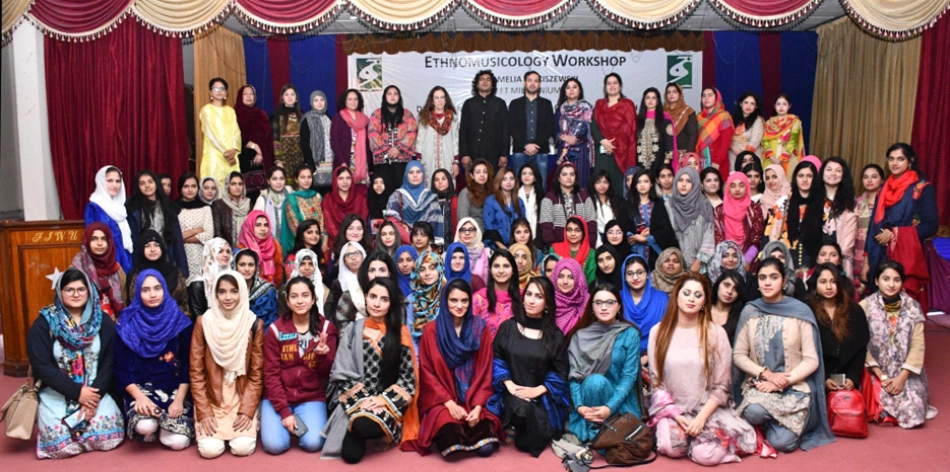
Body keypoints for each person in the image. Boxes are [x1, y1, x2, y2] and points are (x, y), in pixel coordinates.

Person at [648, 273, 756, 465]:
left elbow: (723, 385)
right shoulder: (659, 332)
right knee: (669, 446)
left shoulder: (716, 333)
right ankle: (692, 440)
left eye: (698, 295)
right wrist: (677, 415)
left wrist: (700, 419)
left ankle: (706, 445)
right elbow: (657, 382)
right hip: (674, 409)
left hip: (708, 409)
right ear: (677, 296)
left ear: (705, 301)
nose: (691, 299)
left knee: (705, 456)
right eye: (687, 293)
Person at [732, 258, 835, 453]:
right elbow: (738, 355)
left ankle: (782, 424)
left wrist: (781, 382)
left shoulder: (800, 311)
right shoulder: (751, 311)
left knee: (783, 444)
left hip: (795, 387)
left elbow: (811, 359)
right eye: (762, 278)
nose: (767, 283)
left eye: (773, 277)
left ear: (784, 280)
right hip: (761, 385)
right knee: (754, 412)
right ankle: (775, 422)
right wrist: (767, 375)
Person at [28, 268, 125, 459]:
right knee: (59, 445)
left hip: (96, 390)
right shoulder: (44, 324)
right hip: (57, 392)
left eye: (81, 289)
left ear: (89, 291)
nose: (75, 294)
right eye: (69, 290)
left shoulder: (103, 321)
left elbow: (109, 363)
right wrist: (77, 393)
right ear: (59, 292)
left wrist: (91, 398)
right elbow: (42, 367)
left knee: (108, 438)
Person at [322, 278, 420, 463]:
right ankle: (366, 427)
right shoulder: (352, 330)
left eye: (384, 299)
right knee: (350, 456)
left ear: (391, 303)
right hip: (356, 401)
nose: (377, 303)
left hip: (388, 403)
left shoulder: (400, 333)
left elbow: (408, 379)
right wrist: (364, 401)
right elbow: (342, 372)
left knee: (364, 427)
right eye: (373, 296)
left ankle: (382, 427)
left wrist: (382, 400)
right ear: (365, 297)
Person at [410, 280, 502, 457]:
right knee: (451, 445)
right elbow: (428, 373)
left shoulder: (479, 328)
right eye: (453, 300)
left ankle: (471, 421)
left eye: (464, 301)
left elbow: (485, 370)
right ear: (445, 301)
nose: (459, 306)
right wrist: (449, 403)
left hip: (473, 398)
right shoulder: (431, 330)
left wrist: (477, 406)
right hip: (444, 401)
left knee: (486, 449)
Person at [488, 276, 569, 457]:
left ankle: (521, 428)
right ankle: (513, 424)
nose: (531, 300)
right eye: (529, 294)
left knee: (528, 436)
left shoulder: (554, 335)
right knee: (520, 410)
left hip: (541, 397)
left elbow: (561, 371)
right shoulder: (508, 327)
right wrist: (508, 384)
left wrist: (538, 390)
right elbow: (497, 359)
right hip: (510, 392)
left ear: (547, 303)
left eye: (539, 297)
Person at [115, 270, 194, 450]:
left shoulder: (180, 322)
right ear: (137, 292)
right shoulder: (126, 323)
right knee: (144, 426)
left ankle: (163, 427)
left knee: (178, 443)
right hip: (142, 388)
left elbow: (188, 365)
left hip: (174, 388)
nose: (152, 294)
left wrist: (180, 400)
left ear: (164, 290)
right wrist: (139, 397)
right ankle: (153, 427)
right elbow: (121, 369)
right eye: (146, 290)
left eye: (157, 288)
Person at [190, 270, 264, 459]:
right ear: (215, 294)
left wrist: (247, 411)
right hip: (213, 397)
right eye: (222, 292)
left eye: (234, 291)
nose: (228, 297)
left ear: (242, 292)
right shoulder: (204, 322)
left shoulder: (253, 323)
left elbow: (256, 375)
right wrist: (204, 412)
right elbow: (196, 372)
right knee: (209, 450)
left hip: (240, 395)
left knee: (242, 448)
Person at [261, 276, 338, 454]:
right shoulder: (275, 330)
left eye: (305, 295)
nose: (300, 301)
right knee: (275, 446)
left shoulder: (326, 329)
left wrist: (322, 357)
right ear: (287, 301)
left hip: (310, 397)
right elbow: (271, 375)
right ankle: (285, 422)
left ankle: (299, 422)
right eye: (294, 296)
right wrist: (284, 411)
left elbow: (329, 374)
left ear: (313, 299)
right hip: (278, 397)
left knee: (313, 443)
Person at [862, 261, 938, 428]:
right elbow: (861, 344)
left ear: (902, 282)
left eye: (896, 280)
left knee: (914, 413)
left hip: (905, 372)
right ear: (876, 281)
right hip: (874, 371)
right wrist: (881, 376)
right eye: (886, 279)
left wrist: (901, 379)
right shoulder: (865, 307)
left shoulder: (913, 308)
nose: (891, 284)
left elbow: (918, 347)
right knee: (872, 406)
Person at [864, 143, 938, 309]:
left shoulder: (921, 188)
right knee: (878, 310)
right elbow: (873, 226)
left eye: (900, 159)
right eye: (891, 159)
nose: (894, 163)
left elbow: (931, 226)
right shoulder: (883, 188)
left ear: (910, 161)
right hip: (879, 255)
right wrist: (866, 259)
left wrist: (895, 235)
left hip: (906, 256)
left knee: (903, 312)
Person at [567, 283, 642, 444]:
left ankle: (602, 435)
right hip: (588, 403)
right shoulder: (580, 336)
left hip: (620, 402)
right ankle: (597, 431)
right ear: (591, 307)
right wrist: (579, 406)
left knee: (597, 382)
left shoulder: (630, 333)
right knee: (595, 382)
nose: (604, 307)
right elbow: (574, 377)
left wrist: (609, 407)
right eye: (598, 303)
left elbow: (629, 377)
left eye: (610, 302)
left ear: (619, 306)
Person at [808, 263, 869, 395]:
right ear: (816, 284)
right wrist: (823, 379)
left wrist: (852, 378)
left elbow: (860, 348)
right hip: (815, 378)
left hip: (846, 380)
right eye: (823, 282)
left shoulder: (854, 310)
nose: (829, 287)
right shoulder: (807, 310)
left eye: (833, 282)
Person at [127, 170, 188, 276]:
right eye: (142, 183)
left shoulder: (168, 206)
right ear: (138, 187)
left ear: (156, 183)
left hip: (166, 257)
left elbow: (177, 239)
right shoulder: (132, 207)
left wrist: (183, 269)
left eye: (150, 182)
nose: (147, 186)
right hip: (142, 259)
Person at [591, 73, 637, 191]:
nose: (612, 86)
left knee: (618, 187)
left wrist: (613, 143)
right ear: (605, 87)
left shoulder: (627, 104)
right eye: (609, 83)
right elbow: (594, 126)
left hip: (621, 152)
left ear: (620, 86)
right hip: (602, 151)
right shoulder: (599, 104)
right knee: (601, 185)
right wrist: (603, 141)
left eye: (615, 83)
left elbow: (629, 129)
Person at [509, 71, 555, 190]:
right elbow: (511, 127)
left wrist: (536, 145)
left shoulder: (546, 103)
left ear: (540, 84)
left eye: (536, 81)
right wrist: (525, 145)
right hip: (520, 151)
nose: (532, 83)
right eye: (530, 80)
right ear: (524, 83)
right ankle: (520, 209)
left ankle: (540, 209)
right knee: (518, 186)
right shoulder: (514, 104)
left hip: (541, 151)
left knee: (541, 186)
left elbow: (550, 127)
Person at [127, 230, 190, 317]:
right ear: (141, 249)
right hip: (145, 323)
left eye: (156, 245)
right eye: (147, 246)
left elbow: (184, 302)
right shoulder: (135, 275)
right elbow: (132, 306)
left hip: (174, 321)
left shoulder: (174, 271)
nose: (152, 249)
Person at [370, 85, 418, 196]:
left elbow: (412, 133)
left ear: (399, 97)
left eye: (395, 94)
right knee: (382, 194)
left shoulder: (407, 115)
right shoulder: (376, 115)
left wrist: (398, 149)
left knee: (402, 194)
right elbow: (373, 135)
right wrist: (387, 152)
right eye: (389, 94)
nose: (392, 96)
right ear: (384, 97)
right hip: (382, 163)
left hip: (402, 164)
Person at [627, 168, 678, 268]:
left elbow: (665, 230)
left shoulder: (659, 204)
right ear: (635, 185)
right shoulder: (627, 205)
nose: (642, 185)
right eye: (639, 182)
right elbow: (623, 227)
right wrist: (633, 237)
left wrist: (646, 239)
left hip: (655, 255)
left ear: (651, 184)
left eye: (646, 181)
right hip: (633, 253)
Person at [86, 165, 134, 271]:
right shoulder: (94, 207)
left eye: (118, 181)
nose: (115, 185)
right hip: (105, 261)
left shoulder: (121, 208)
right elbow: (91, 238)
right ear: (101, 182)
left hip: (125, 258)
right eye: (110, 181)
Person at [72, 223, 126, 317]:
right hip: (84, 325)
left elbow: (126, 299)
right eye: (94, 239)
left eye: (103, 239)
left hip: (114, 324)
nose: (99, 243)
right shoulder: (77, 268)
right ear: (87, 241)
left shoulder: (117, 269)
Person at [459, 70, 509, 171]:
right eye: (482, 79)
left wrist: (504, 154)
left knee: (493, 185)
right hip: (473, 155)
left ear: (493, 85)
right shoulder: (469, 104)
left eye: (488, 79)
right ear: (477, 84)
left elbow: (505, 130)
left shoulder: (500, 104)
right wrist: (464, 154)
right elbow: (463, 130)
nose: (485, 81)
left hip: (494, 155)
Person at [539, 162, 597, 248]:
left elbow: (592, 223)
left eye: (572, 174)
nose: (569, 177)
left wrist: (589, 246)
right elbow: (546, 227)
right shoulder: (549, 198)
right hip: (558, 248)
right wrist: (554, 248)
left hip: (583, 248)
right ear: (558, 178)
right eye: (564, 174)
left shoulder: (585, 197)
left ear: (575, 177)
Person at [620, 254, 668, 357]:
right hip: (623, 357)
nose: (635, 277)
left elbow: (668, 333)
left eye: (640, 272)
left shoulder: (662, 299)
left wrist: (648, 357)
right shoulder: (617, 299)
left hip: (657, 355)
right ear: (624, 277)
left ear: (647, 274)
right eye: (630, 273)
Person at [669, 167, 715, 274]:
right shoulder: (669, 206)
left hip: (701, 267)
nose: (683, 184)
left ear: (695, 184)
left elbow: (709, 234)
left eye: (688, 181)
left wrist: (699, 261)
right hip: (675, 267)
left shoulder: (704, 204)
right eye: (680, 180)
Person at [234, 85, 275, 203]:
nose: (248, 96)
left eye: (251, 94)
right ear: (240, 96)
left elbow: (268, 137)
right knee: (249, 196)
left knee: (264, 197)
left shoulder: (261, 114)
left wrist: (261, 152)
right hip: (245, 158)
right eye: (245, 94)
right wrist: (254, 146)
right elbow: (235, 137)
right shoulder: (235, 114)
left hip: (263, 159)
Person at [386, 161, 444, 244]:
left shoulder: (431, 197)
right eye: (411, 172)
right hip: (402, 247)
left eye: (418, 172)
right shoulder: (397, 196)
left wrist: (422, 241)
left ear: (423, 175)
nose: (415, 175)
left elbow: (434, 223)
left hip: (425, 247)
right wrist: (411, 241)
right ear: (406, 175)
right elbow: (392, 222)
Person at [199, 78, 242, 187]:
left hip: (232, 157)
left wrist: (234, 150)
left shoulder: (231, 111)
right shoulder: (206, 110)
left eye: (222, 88)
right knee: (213, 189)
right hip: (214, 157)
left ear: (226, 92)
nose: (219, 91)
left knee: (232, 188)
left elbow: (236, 133)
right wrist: (227, 154)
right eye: (216, 88)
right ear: (210, 92)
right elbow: (211, 134)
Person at [820, 157, 858, 278]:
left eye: (838, 170)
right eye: (829, 169)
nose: (833, 173)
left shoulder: (850, 204)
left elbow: (848, 242)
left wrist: (831, 257)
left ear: (843, 176)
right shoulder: (812, 200)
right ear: (822, 174)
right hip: (814, 260)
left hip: (840, 261)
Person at [472, 250, 521, 341]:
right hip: (485, 352)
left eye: (506, 266)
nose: (501, 271)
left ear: (513, 270)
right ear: (490, 270)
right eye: (496, 266)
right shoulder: (478, 299)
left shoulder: (523, 298)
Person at [554, 78, 594, 188]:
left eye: (574, 87)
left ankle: (581, 205)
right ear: (564, 91)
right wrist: (564, 137)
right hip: (563, 152)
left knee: (581, 184)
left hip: (581, 152)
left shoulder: (587, 109)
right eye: (568, 87)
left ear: (579, 91)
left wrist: (575, 139)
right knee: (562, 185)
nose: (571, 90)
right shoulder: (560, 110)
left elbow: (591, 131)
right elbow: (554, 130)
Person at [716, 172, 765, 259]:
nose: (737, 189)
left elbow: (757, 238)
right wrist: (726, 258)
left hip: (749, 260)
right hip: (723, 259)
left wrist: (747, 259)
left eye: (741, 185)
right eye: (733, 186)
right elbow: (717, 238)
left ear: (747, 187)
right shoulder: (719, 210)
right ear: (728, 188)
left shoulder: (754, 209)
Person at [786, 161, 824, 273]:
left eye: (809, 176)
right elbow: (774, 236)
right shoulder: (784, 203)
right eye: (801, 175)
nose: (805, 180)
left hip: (815, 260)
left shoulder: (824, 204)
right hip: (788, 259)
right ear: (795, 178)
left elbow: (828, 236)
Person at [331, 89, 372, 188]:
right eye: (350, 99)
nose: (353, 102)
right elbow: (334, 142)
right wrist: (342, 162)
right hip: (345, 162)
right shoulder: (339, 118)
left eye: (355, 99)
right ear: (345, 101)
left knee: (362, 195)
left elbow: (368, 144)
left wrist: (370, 165)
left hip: (362, 164)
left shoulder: (365, 119)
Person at [177, 173, 215, 279]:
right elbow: (173, 236)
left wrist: (183, 237)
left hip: (201, 256)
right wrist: (196, 231)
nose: (190, 190)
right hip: (180, 256)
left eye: (193, 186)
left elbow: (208, 235)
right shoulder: (173, 208)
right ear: (180, 188)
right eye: (186, 186)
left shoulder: (205, 208)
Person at [416, 86, 460, 178]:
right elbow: (420, 139)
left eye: (442, 97)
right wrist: (418, 160)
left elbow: (455, 140)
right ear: (432, 100)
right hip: (428, 158)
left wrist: (456, 162)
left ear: (445, 99)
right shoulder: (424, 116)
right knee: (429, 184)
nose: (439, 100)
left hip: (447, 157)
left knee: (447, 183)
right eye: (436, 98)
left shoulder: (452, 117)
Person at [281, 165, 326, 254]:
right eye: (302, 177)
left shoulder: (317, 196)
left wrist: (323, 240)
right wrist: (308, 243)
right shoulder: (292, 199)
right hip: (300, 247)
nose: (306, 180)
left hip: (319, 244)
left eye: (309, 177)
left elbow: (324, 220)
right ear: (296, 180)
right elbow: (294, 227)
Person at [407, 250, 447, 349]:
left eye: (432, 268)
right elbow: (410, 336)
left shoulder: (447, 295)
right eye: (422, 269)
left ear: (440, 270)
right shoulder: (412, 299)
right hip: (420, 354)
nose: (427, 273)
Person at [187, 238, 233, 318]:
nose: (226, 255)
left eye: (228, 251)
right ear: (210, 254)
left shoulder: (233, 278)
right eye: (220, 251)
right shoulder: (198, 284)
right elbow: (198, 318)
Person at [238, 210, 285, 288]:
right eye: (258, 225)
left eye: (266, 225)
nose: (263, 229)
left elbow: (279, 276)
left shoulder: (275, 246)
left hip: (271, 292)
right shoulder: (241, 250)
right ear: (250, 226)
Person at [322, 166, 368, 244]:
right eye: (341, 178)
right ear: (335, 180)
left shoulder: (360, 198)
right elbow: (329, 224)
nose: (345, 182)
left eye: (348, 178)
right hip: (336, 242)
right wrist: (342, 241)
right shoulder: (328, 199)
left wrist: (354, 238)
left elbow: (362, 220)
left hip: (358, 240)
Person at [234, 249, 279, 329]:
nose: (247, 269)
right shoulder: (229, 290)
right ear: (235, 266)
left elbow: (271, 323)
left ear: (256, 267)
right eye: (242, 265)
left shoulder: (267, 291)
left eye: (251, 265)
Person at [854, 164, 884, 285]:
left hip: (879, 252)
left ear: (882, 180)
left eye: (874, 177)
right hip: (858, 253)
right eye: (866, 177)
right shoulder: (856, 204)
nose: (869, 180)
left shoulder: (887, 204)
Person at [762, 94, 805, 176]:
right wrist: (772, 158)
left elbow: (793, 141)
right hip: (771, 160)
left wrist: (782, 158)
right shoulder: (768, 123)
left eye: (784, 104)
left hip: (788, 160)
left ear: (789, 106)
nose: (781, 107)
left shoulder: (795, 122)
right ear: (774, 106)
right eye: (778, 104)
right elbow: (765, 141)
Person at [635, 87, 677, 172]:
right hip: (640, 164)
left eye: (653, 98)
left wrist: (666, 163)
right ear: (644, 100)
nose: (650, 100)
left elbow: (669, 143)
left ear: (657, 101)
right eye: (647, 97)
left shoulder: (665, 119)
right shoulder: (637, 120)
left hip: (659, 163)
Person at [483, 167, 525, 250]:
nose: (508, 182)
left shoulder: (519, 202)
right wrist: (503, 249)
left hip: (516, 247)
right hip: (495, 247)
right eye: (504, 179)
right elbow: (489, 228)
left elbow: (522, 225)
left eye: (511, 179)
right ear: (499, 181)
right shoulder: (491, 201)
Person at [300, 90, 335, 192]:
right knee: (316, 193)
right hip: (316, 164)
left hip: (330, 163)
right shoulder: (307, 119)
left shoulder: (330, 118)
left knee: (329, 193)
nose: (319, 103)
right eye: (316, 100)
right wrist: (311, 165)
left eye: (321, 99)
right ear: (312, 103)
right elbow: (304, 143)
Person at [270, 84, 305, 184]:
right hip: (284, 159)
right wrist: (278, 161)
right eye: (286, 94)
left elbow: (305, 139)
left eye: (292, 94)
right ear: (282, 98)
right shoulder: (276, 114)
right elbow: (275, 139)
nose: (289, 97)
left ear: (296, 98)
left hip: (300, 158)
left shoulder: (302, 114)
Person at [696, 87, 735, 171]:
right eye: (704, 96)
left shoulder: (724, 116)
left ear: (717, 98)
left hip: (718, 163)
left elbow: (725, 142)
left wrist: (717, 161)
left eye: (710, 95)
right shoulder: (698, 118)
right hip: (701, 161)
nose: (706, 98)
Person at [330, 241, 367, 330]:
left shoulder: (371, 277)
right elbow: (335, 314)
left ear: (363, 255)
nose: (353, 257)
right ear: (344, 260)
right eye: (349, 255)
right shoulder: (338, 283)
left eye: (356, 253)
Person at [589, 168, 630, 247]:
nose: (602, 185)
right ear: (593, 184)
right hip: (597, 237)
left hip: (615, 237)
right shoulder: (589, 201)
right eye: (598, 182)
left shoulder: (617, 201)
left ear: (609, 183)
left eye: (605, 182)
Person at [253, 167, 291, 251]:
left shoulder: (291, 196)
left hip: (291, 244)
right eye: (274, 179)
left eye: (281, 178)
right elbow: (254, 224)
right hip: (269, 247)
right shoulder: (263, 199)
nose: (278, 182)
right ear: (268, 181)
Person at [550, 216, 596, 281]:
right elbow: (551, 276)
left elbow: (591, 280)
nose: (573, 234)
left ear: (584, 232)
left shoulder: (591, 254)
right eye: (569, 230)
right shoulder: (555, 250)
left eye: (577, 230)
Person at [288, 248, 330, 319]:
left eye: (311, 264)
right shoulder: (286, 290)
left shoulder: (325, 292)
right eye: (302, 264)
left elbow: (328, 319)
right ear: (297, 266)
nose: (307, 268)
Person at [551, 258, 589, 334]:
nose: (565, 281)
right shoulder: (548, 301)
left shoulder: (587, 303)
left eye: (571, 277)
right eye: (561, 276)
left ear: (578, 279)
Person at [212, 172, 250, 247]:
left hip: (246, 249)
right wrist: (226, 250)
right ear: (227, 185)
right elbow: (218, 232)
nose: (237, 187)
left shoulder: (248, 204)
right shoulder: (219, 205)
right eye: (233, 184)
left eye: (240, 184)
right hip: (226, 250)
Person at [729, 92, 765, 170]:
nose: (748, 106)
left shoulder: (758, 120)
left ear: (756, 106)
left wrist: (743, 156)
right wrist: (733, 148)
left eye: (752, 103)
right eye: (746, 102)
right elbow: (726, 137)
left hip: (750, 156)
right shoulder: (731, 119)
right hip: (732, 154)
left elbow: (755, 142)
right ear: (741, 104)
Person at [457, 158, 493, 232]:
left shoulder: (492, 192)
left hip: (491, 235)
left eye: (485, 172)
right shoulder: (466, 193)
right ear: (472, 175)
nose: (482, 175)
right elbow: (463, 220)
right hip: (473, 234)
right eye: (478, 172)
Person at [711, 269, 746, 343]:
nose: (729, 291)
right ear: (718, 285)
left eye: (736, 289)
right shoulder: (702, 310)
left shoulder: (741, 318)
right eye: (727, 285)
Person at [455, 217, 490, 290]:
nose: (467, 233)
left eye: (471, 230)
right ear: (458, 233)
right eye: (463, 230)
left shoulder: (487, 253)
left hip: (482, 297)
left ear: (477, 232)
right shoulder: (451, 254)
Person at [664, 82, 698, 159]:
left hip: (683, 155)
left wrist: (688, 155)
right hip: (665, 155)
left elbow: (693, 135)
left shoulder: (688, 111)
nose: (671, 94)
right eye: (668, 92)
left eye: (674, 91)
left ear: (680, 94)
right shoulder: (662, 112)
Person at [761, 164, 792, 243]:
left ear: (781, 176)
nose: (771, 181)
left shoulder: (791, 195)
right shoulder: (764, 199)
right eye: (767, 178)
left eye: (774, 176)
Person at [517, 162, 545, 243]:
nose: (527, 176)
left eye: (530, 174)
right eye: (524, 173)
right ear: (520, 176)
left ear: (535, 177)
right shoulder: (514, 194)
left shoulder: (541, 195)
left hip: (536, 237)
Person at [431, 168, 457, 244]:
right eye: (436, 180)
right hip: (434, 245)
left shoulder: (455, 200)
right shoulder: (430, 202)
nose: (440, 182)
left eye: (443, 179)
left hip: (453, 242)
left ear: (449, 180)